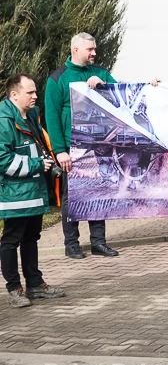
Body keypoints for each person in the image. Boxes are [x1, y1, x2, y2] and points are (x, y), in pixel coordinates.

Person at [44, 32, 119, 259]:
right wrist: (59, 151)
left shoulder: (101, 73)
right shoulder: (58, 79)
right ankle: (71, 243)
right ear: (76, 49)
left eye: (94, 49)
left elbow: (119, 97)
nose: (94, 53)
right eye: (90, 50)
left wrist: (104, 85)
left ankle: (98, 241)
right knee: (72, 197)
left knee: (98, 193)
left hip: (98, 145)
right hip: (71, 148)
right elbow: (52, 116)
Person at [1, 74, 66, 308]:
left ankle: (35, 285)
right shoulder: (3, 119)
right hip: (14, 193)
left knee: (31, 238)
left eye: (35, 91)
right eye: (30, 92)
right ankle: (14, 288)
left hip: (34, 190)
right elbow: (2, 159)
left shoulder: (31, 115)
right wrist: (38, 165)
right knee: (11, 239)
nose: (35, 96)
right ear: (14, 94)